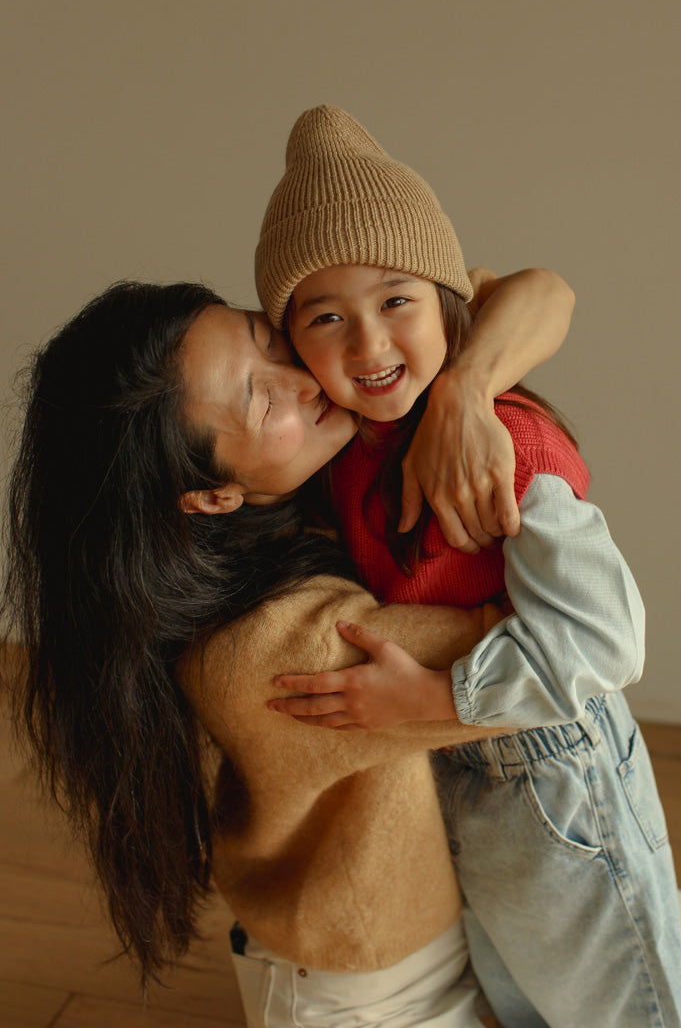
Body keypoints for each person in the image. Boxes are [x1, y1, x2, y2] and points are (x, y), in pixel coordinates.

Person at [2, 269, 580, 1027]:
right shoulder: (276, 648)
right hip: (368, 994)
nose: (305, 379)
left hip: (465, 926)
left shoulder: (310, 474)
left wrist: (464, 389)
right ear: (213, 496)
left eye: (270, 341)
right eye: (261, 399)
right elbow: (566, 647)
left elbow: (541, 291)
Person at [253, 105, 681, 1028]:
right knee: (531, 1005)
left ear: (447, 303)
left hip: (552, 774)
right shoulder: (345, 447)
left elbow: (606, 641)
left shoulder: (506, 445)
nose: (368, 344)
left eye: (397, 301)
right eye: (326, 317)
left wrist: (435, 697)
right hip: (458, 770)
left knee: (632, 1011)